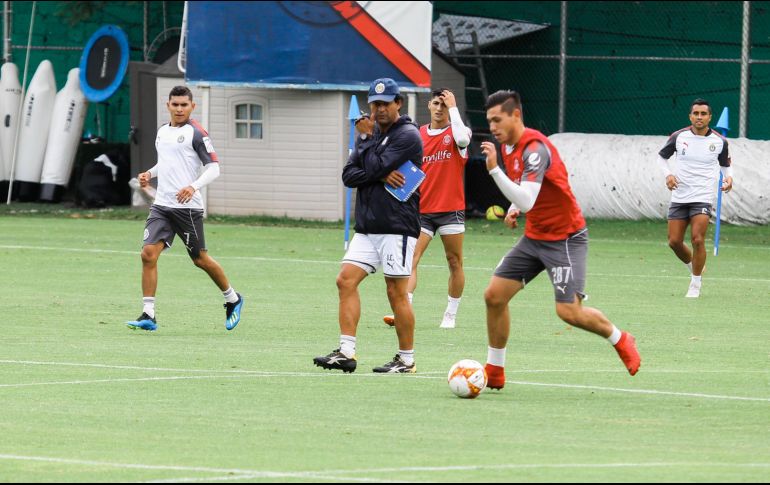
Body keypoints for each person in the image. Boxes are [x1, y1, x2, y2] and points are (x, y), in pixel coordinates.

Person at [479, 90, 641, 389]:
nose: (492, 127)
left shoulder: (535, 149)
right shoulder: (509, 146)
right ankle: (496, 368)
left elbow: (527, 197)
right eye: (489, 121)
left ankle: (620, 339)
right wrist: (515, 207)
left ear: (516, 115)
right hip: (535, 237)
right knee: (494, 296)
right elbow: (529, 191)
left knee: (568, 311)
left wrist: (494, 172)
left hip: (565, 239)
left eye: (497, 120)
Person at [313, 78, 423, 373]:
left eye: (386, 103)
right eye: (375, 104)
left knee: (395, 292)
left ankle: (406, 359)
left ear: (398, 103)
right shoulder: (371, 135)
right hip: (367, 227)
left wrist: (368, 148)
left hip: (397, 226)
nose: (379, 109)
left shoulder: (408, 135)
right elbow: (349, 175)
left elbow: (371, 166)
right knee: (345, 280)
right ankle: (346, 352)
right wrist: (381, 173)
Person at [126, 85, 244, 332]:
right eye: (175, 104)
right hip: (162, 205)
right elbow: (166, 163)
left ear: (192, 107)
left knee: (199, 259)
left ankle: (233, 298)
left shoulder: (197, 133)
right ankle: (148, 314)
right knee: (148, 254)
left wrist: (193, 186)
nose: (179, 109)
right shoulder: (162, 132)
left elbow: (214, 168)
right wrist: (150, 173)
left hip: (187, 209)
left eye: (184, 105)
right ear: (167, 105)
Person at [383, 88, 472, 329]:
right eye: (437, 103)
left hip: (451, 209)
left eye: (445, 104)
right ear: (429, 106)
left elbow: (463, 140)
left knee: (454, 262)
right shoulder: (418, 135)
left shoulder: (458, 133)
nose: (440, 108)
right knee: (411, 259)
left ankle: (450, 314)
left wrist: (454, 107)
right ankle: (405, 309)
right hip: (422, 210)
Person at [657, 98, 733, 298]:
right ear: (690, 116)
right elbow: (661, 157)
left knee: (697, 239)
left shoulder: (719, 141)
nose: (699, 117)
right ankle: (695, 266)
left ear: (710, 117)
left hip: (703, 195)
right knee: (674, 241)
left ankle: (695, 284)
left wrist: (728, 178)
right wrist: (668, 175)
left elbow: (725, 164)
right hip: (680, 195)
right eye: (696, 114)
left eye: (703, 114)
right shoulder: (678, 137)